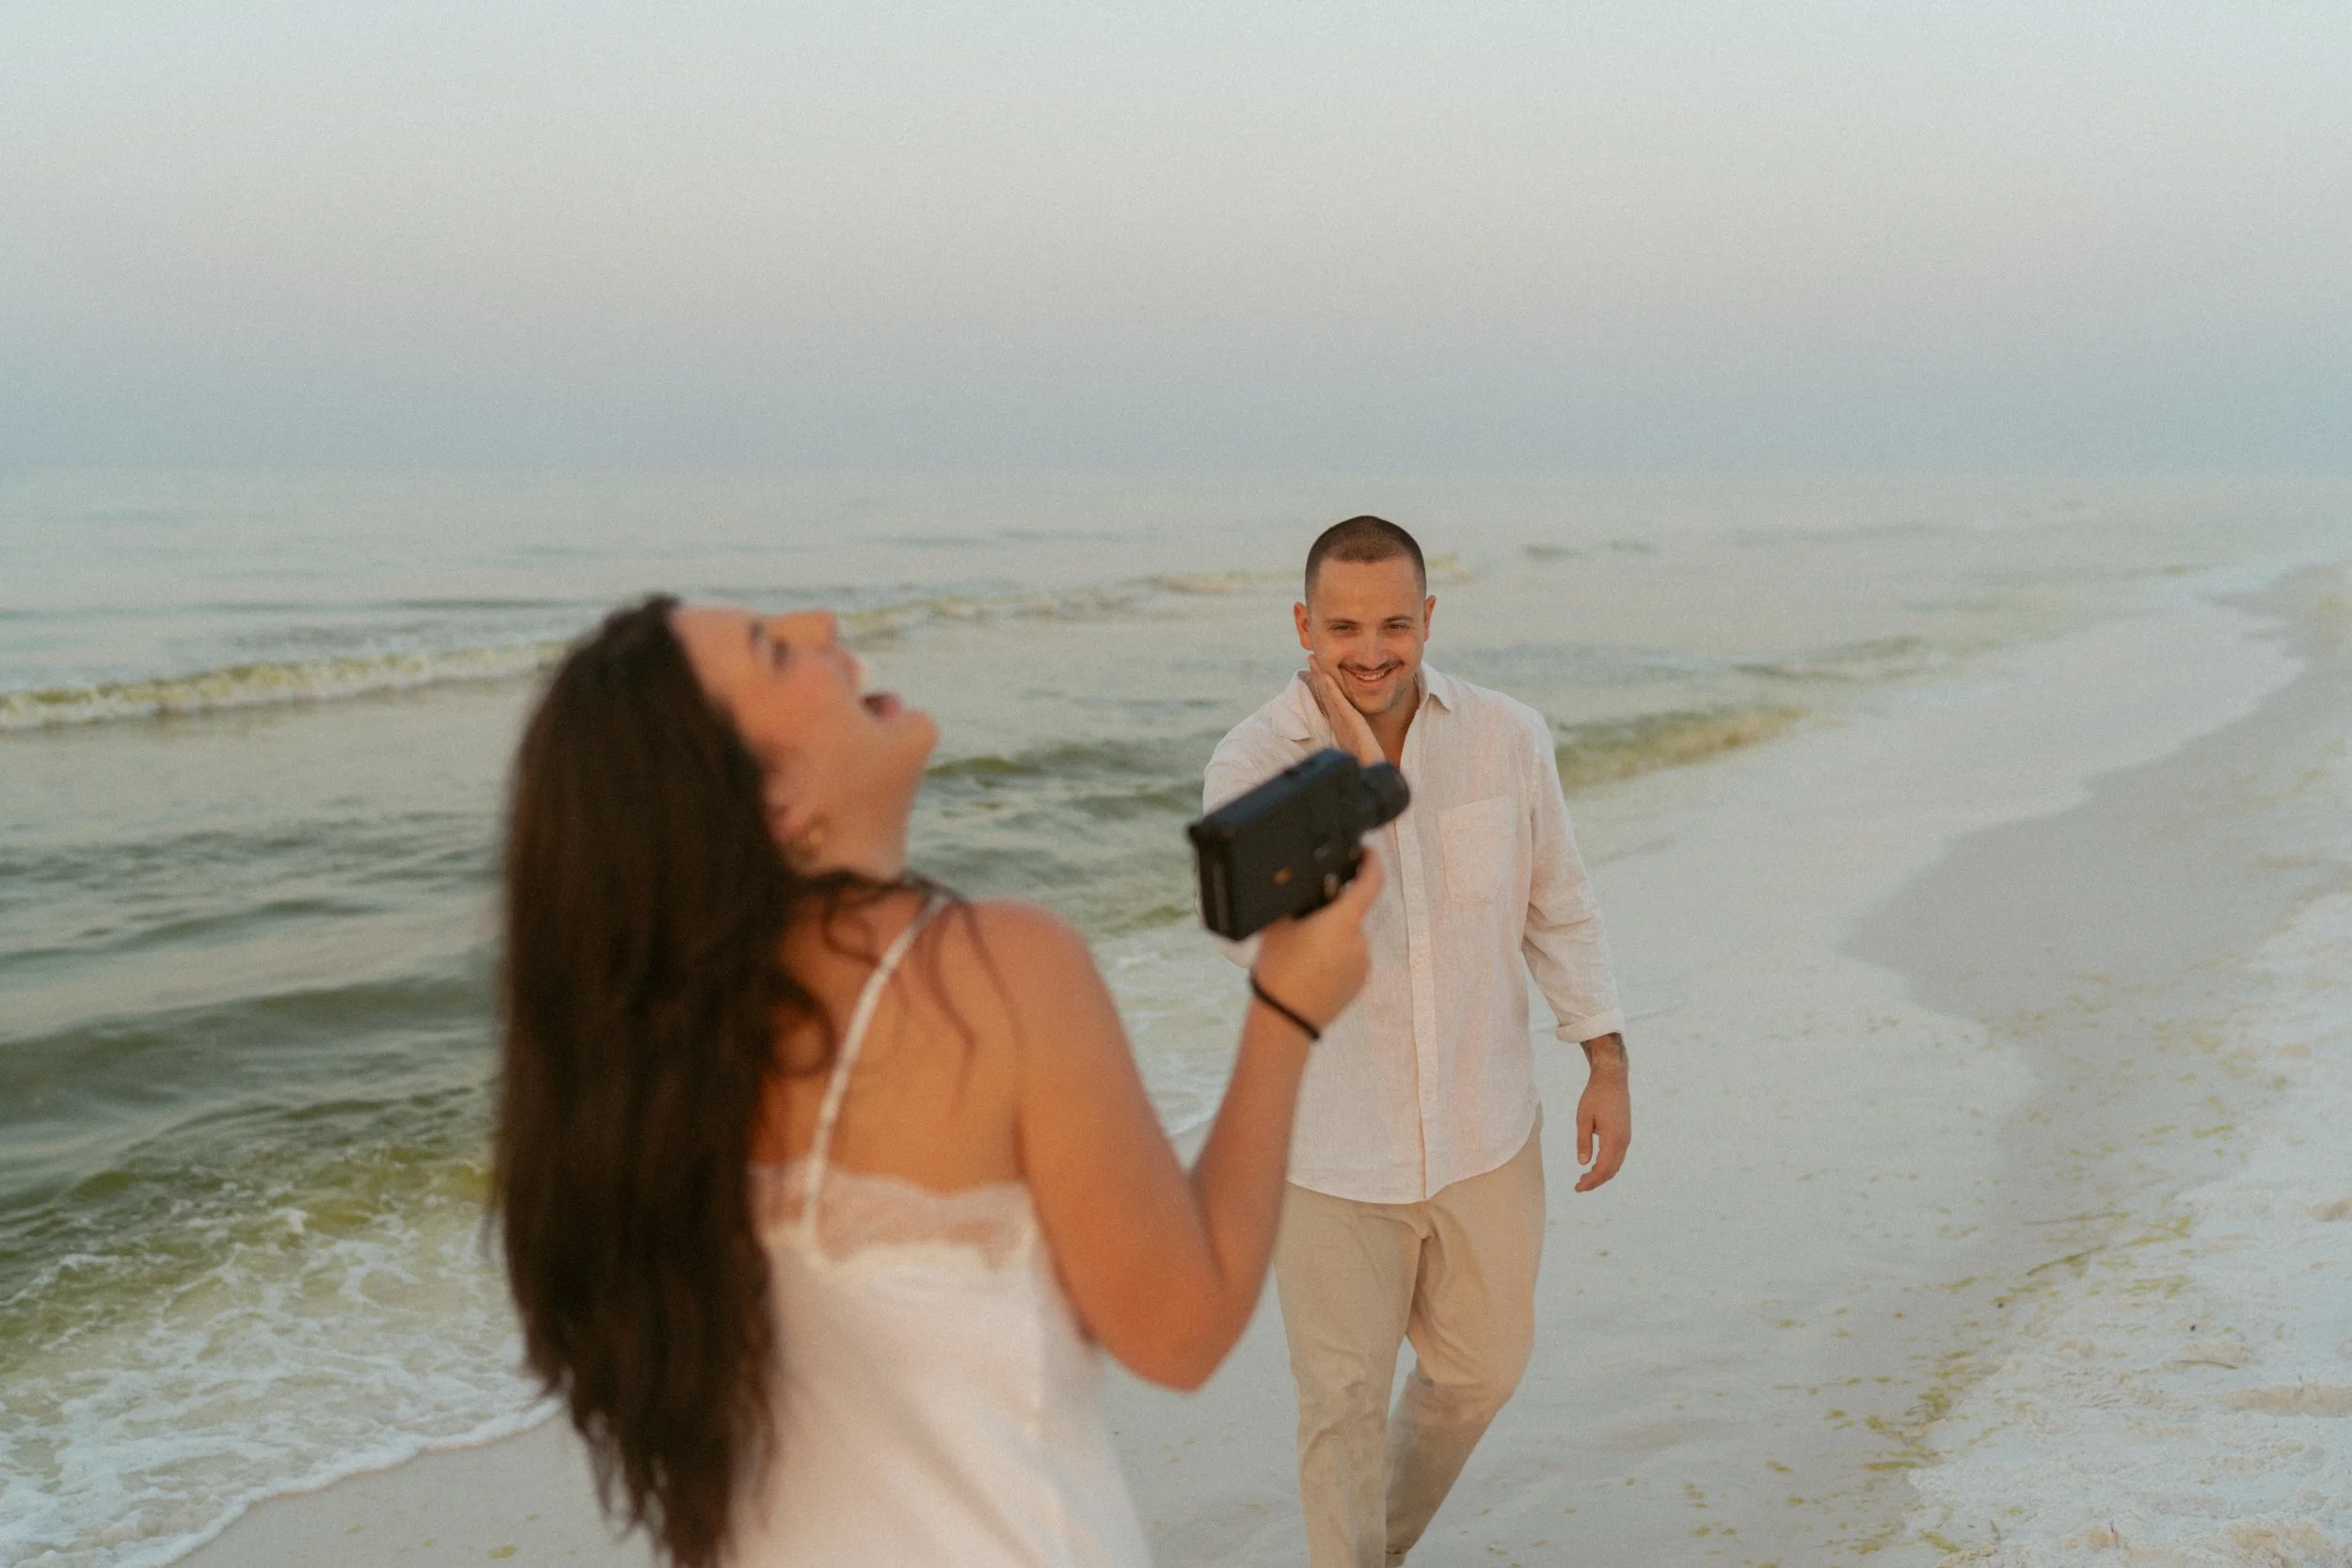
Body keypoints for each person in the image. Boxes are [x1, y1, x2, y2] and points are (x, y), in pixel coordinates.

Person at [492, 594, 1382, 1568]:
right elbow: (1181, 1327)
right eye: (771, 650)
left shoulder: (646, 1082)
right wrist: (1286, 1010)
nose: (818, 622)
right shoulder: (993, 970)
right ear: (774, 804)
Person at [1202, 517, 1630, 1568]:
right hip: (1332, 1155)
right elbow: (1253, 945)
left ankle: (1372, 1548)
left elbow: (1558, 901)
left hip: (1486, 1130)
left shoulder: (1506, 734)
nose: (1370, 650)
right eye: (1343, 626)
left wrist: (1604, 1055)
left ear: (1428, 618)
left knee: (1485, 1368)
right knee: (1340, 1405)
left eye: (1394, 623)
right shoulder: (1254, 761)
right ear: (1304, 625)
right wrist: (1344, 796)